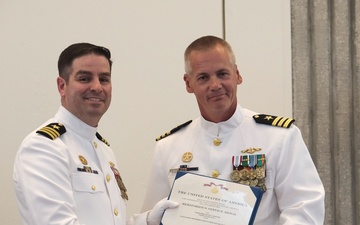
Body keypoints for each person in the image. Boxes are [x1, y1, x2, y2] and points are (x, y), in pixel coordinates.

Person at [140, 35, 325, 224]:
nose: (215, 85)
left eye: (222, 74)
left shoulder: (280, 137)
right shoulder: (168, 146)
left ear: (237, 75)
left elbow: (305, 209)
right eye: (203, 77)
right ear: (188, 84)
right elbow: (152, 215)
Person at [13, 43, 177, 225]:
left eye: (104, 79)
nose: (97, 87)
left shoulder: (104, 149)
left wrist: (147, 221)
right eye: (85, 79)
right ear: (62, 86)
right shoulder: (44, 147)